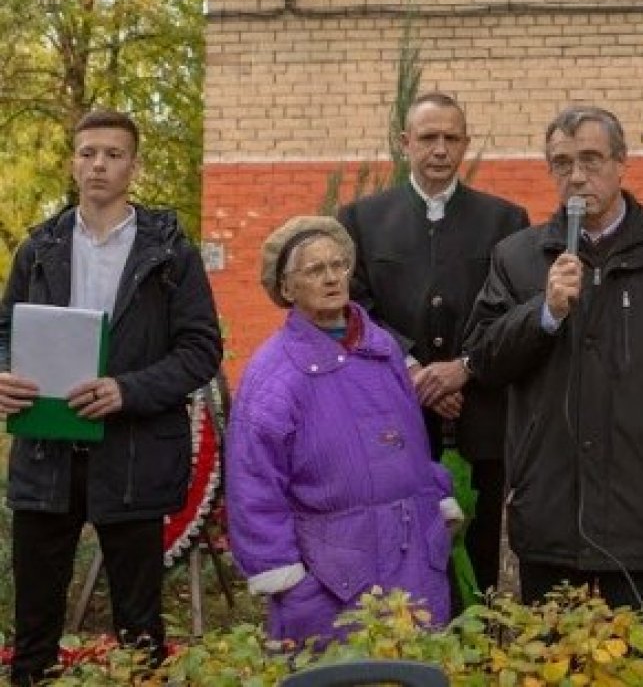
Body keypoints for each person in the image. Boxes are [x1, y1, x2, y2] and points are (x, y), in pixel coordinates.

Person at [464, 105, 643, 645]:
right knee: (553, 668)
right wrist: (543, 312)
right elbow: (484, 360)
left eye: (590, 159)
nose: (576, 175)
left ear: (621, 163)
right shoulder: (518, 257)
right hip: (551, 512)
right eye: (561, 162)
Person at [0, 109, 223, 687]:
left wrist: (128, 390)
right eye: (88, 152)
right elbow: (6, 333)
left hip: (133, 456)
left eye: (114, 154)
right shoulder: (39, 248)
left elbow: (201, 349)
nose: (99, 164)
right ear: (73, 162)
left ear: (134, 165)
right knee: (33, 633)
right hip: (47, 457)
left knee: (140, 633)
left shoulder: (171, 251)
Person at [224, 216, 455, 645]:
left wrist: (435, 497)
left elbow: (412, 441)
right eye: (314, 270)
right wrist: (288, 580)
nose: (332, 277)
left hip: (416, 561)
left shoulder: (382, 348)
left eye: (338, 265)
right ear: (287, 289)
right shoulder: (273, 377)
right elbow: (252, 487)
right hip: (332, 582)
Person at [338, 91, 529, 602]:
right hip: (394, 418)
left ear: (466, 143)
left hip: (481, 413)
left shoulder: (506, 221)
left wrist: (464, 369)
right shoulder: (361, 219)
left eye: (451, 138)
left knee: (480, 553)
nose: (440, 149)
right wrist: (416, 371)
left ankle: (481, 658)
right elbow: (355, 308)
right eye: (428, 138)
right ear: (405, 144)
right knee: (401, 551)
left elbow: (513, 312)